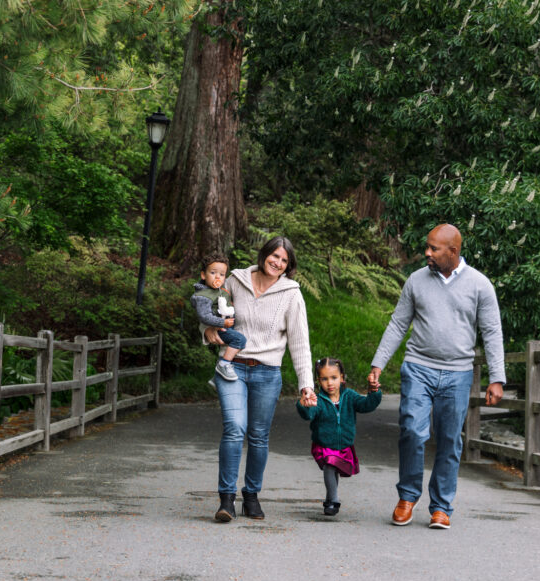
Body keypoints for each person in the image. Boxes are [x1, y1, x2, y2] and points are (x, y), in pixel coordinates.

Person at [367, 223, 505, 530]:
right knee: (412, 431)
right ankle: (407, 497)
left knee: (449, 440)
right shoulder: (416, 280)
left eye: (433, 248)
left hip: (458, 373)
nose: (426, 253)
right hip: (418, 367)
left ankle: (441, 506)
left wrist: (497, 377)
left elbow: (492, 331)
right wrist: (378, 363)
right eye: (427, 246)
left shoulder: (480, 285)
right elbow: (397, 324)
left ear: (453, 252)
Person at [203, 236, 315, 523]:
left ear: (288, 266)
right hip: (232, 368)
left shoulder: (291, 293)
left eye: (284, 260)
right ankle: (226, 499)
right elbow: (209, 303)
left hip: (267, 372)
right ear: (264, 254)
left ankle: (251, 496)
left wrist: (307, 385)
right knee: (233, 428)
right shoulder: (236, 280)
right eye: (274, 256)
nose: (277, 263)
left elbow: (300, 343)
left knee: (258, 436)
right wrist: (205, 329)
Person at [296, 357, 382, 516]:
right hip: (323, 444)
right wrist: (304, 404)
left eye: (334, 378)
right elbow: (309, 414)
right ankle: (334, 499)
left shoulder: (349, 396)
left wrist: (374, 392)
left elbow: (366, 405)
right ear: (318, 381)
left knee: (334, 468)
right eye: (324, 379)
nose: (330, 383)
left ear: (342, 378)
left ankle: (330, 500)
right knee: (330, 464)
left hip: (344, 445)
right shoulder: (319, 400)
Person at [190, 252, 247, 382]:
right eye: (213, 273)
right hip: (220, 329)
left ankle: (217, 379)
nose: (218, 277)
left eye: (221, 275)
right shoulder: (203, 295)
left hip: (226, 326)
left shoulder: (220, 290)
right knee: (240, 340)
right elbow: (204, 316)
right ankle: (224, 364)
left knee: (236, 340)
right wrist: (222, 322)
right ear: (203, 275)